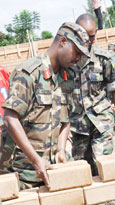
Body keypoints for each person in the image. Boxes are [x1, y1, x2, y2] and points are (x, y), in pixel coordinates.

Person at [0, 22, 90, 190]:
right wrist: (36, 160)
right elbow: (10, 119)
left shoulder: (66, 76)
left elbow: (66, 119)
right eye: (77, 52)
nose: (78, 58)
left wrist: (61, 149)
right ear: (62, 41)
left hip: (51, 166)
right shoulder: (28, 73)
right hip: (22, 170)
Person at [70, 14, 115, 175]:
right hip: (78, 126)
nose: (88, 40)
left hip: (102, 122)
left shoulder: (104, 59)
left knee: (103, 163)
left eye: (92, 36)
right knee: (83, 170)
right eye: (84, 36)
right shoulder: (66, 62)